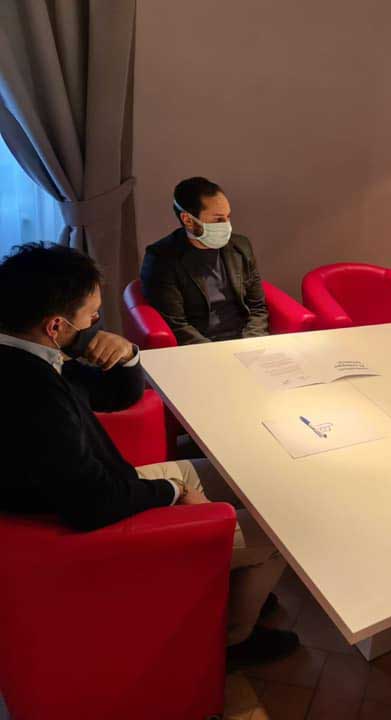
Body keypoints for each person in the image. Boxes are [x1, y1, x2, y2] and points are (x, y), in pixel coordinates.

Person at [0, 243, 296, 666]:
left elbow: (117, 397)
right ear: (55, 325)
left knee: (236, 476)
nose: (96, 321)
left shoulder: (30, 353)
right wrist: (173, 492)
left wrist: (126, 355)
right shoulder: (32, 392)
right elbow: (92, 504)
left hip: (103, 487)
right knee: (280, 530)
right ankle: (232, 641)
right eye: (91, 315)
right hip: (100, 529)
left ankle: (236, 580)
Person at [140, 176, 269, 344]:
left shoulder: (241, 246)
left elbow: (257, 307)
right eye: (218, 219)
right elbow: (177, 325)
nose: (227, 226)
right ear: (188, 220)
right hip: (201, 345)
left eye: (228, 217)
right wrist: (214, 353)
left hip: (244, 340)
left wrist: (252, 342)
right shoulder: (161, 259)